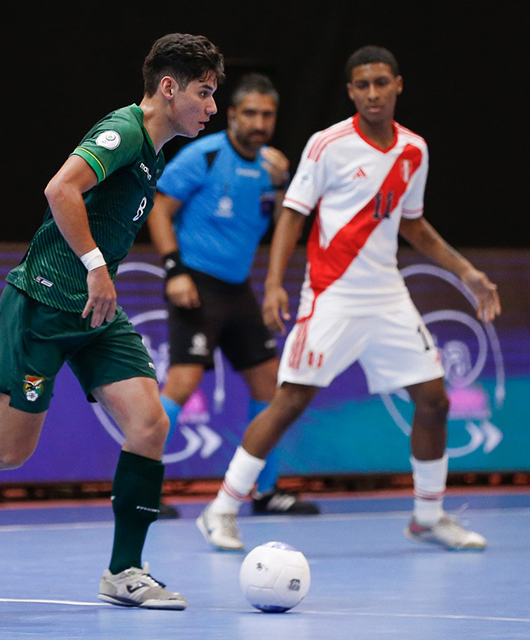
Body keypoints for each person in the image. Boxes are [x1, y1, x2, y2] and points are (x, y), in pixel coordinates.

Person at [0, 33, 227, 610]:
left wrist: (98, 280)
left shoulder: (157, 149)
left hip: (95, 312)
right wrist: (95, 266)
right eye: (205, 93)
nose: (212, 107)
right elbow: (60, 188)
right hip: (43, 304)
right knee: (7, 452)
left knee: (149, 424)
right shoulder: (125, 132)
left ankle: (125, 571)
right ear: (169, 88)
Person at [196, 45, 502, 553]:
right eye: (362, 85)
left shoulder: (414, 150)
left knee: (434, 400)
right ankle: (221, 508)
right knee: (290, 400)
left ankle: (428, 517)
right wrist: (273, 283)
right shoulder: (327, 144)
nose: (373, 93)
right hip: (331, 295)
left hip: (387, 294)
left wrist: (467, 272)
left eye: (382, 82)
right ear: (351, 91)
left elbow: (413, 223)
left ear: (398, 85)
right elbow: (293, 213)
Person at [146, 73, 320, 517]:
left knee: (271, 386)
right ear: (232, 115)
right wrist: (174, 269)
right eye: (251, 113)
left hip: (238, 287)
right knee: (183, 383)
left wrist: (285, 187)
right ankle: (140, 488)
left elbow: (286, 227)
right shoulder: (202, 156)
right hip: (196, 283)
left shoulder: (272, 167)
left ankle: (264, 492)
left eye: (267, 115)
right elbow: (160, 210)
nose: (259, 123)